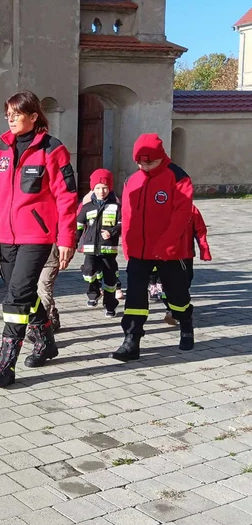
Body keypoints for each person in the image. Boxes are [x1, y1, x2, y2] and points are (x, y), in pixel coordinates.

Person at [0, 91, 78, 388]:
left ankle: (5, 364)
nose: (10, 118)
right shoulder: (2, 148)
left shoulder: (53, 150)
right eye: (8, 113)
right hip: (6, 234)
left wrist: (67, 238)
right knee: (22, 291)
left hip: (36, 236)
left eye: (16, 113)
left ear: (34, 116)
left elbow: (67, 198)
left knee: (16, 297)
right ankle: (45, 342)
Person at [111, 133, 195, 362]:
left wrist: (167, 245)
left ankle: (185, 320)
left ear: (161, 157)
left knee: (176, 294)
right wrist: (127, 245)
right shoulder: (132, 181)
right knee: (135, 298)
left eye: (150, 162)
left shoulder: (178, 177)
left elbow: (182, 215)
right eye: (140, 162)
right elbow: (127, 216)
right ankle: (131, 340)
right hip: (139, 251)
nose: (144, 166)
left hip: (170, 251)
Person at [76, 168, 121, 317]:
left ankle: (110, 305)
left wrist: (112, 232)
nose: (101, 191)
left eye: (105, 188)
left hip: (108, 249)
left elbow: (124, 223)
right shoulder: (87, 207)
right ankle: (93, 293)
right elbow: (79, 225)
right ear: (92, 189)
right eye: (98, 188)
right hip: (90, 248)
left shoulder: (116, 207)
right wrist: (75, 242)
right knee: (89, 272)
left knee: (110, 278)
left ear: (110, 188)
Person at [162, 203, 211, 326]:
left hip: (185, 255)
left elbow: (200, 231)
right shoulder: (161, 207)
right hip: (165, 255)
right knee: (167, 285)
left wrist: (204, 250)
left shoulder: (192, 209)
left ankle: (177, 311)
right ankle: (171, 311)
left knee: (185, 283)